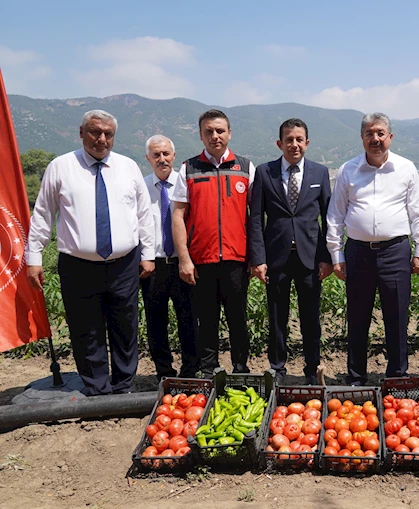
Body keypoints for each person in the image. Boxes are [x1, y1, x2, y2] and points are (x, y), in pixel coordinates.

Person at [26, 110, 155, 395]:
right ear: (81, 132)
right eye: (95, 132)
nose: (102, 139)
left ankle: (123, 386)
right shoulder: (61, 167)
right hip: (78, 265)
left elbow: (144, 215)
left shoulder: (128, 167)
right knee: (86, 329)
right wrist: (34, 257)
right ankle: (97, 389)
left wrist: (148, 253)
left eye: (108, 134)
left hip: (124, 264)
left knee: (125, 326)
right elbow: (43, 214)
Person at [326, 112, 419, 385]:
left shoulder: (406, 168)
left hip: (395, 252)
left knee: (397, 316)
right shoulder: (348, 169)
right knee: (358, 316)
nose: (375, 139)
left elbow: (418, 213)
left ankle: (397, 375)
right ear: (362, 138)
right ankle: (356, 376)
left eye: (380, 133)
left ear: (390, 137)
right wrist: (336, 254)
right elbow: (335, 216)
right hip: (358, 252)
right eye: (370, 134)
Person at [249, 119, 333, 386]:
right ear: (279, 143)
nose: (294, 144)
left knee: (311, 316)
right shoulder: (265, 173)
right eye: (289, 139)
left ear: (307, 143)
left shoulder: (320, 173)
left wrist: (327, 257)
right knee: (277, 316)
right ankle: (278, 369)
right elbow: (255, 219)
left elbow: (327, 217)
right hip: (277, 258)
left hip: (310, 258)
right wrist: (258, 259)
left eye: (299, 139)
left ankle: (311, 369)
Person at [172, 109, 255, 377]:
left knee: (238, 320)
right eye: (209, 131)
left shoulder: (245, 167)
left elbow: (255, 217)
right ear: (200, 135)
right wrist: (184, 258)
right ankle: (208, 371)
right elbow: (178, 216)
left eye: (220, 130)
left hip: (236, 259)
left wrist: (255, 257)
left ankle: (241, 370)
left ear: (229, 133)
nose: (215, 136)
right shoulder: (188, 168)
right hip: (201, 260)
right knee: (206, 321)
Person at [141, 135, 200, 380]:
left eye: (166, 154)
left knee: (189, 319)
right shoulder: (141, 186)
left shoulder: (186, 184)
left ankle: (190, 370)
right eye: (156, 155)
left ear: (174, 156)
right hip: (152, 265)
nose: (162, 159)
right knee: (156, 323)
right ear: (148, 159)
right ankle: (163, 371)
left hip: (182, 263)